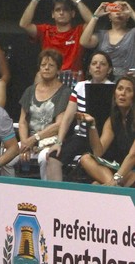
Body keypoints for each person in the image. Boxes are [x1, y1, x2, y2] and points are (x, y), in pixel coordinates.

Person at [45, 51, 115, 181]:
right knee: (53, 158)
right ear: (89, 68)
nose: (98, 66)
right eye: (94, 63)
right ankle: (56, 196)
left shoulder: (114, 88)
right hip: (82, 137)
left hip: (103, 140)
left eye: (102, 64)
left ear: (109, 69)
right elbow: (67, 117)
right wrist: (59, 142)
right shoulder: (80, 86)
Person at [14, 49, 70, 179]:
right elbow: (22, 121)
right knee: (6, 156)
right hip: (28, 140)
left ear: (58, 70)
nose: (46, 68)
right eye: (43, 65)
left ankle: (46, 193)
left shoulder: (64, 91)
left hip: (51, 140)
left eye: (51, 65)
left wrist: (34, 139)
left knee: (45, 158)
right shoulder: (30, 90)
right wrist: (24, 144)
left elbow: (59, 124)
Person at [20, 0, 94, 73]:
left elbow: (93, 21)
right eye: (58, 10)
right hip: (49, 75)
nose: (61, 13)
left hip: (73, 78)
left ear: (73, 14)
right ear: (53, 14)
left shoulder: (79, 31)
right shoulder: (45, 30)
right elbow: (24, 24)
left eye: (65, 9)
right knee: (39, 75)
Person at [79, 75, 135, 187]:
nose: (123, 93)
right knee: (86, 158)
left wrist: (116, 179)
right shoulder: (112, 120)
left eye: (128, 90)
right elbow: (98, 152)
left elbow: (133, 156)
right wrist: (92, 126)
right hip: (122, 170)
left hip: (131, 168)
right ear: (115, 94)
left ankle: (112, 186)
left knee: (96, 184)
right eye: (120, 89)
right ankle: (114, 188)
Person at [80, 0, 135, 77]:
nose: (118, 12)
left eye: (122, 9)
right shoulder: (102, 35)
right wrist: (95, 16)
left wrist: (131, 12)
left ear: (128, 16)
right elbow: (84, 42)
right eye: (115, 9)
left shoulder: (132, 33)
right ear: (109, 15)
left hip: (126, 80)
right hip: (104, 80)